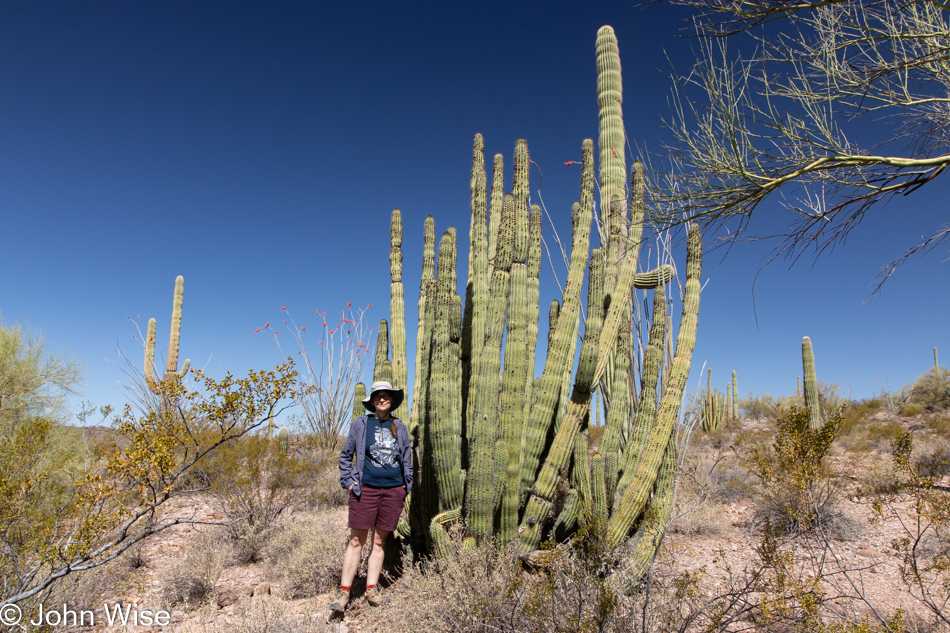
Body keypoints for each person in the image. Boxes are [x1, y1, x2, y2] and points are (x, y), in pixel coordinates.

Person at [328, 380, 412, 612]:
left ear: (392, 400)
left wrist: (407, 485)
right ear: (372, 401)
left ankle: (371, 591)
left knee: (379, 541)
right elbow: (346, 456)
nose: (382, 399)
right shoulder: (361, 424)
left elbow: (406, 458)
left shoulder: (400, 426)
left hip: (393, 490)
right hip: (365, 490)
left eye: (386, 396)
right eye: (377, 396)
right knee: (356, 541)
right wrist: (348, 480)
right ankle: (344, 594)